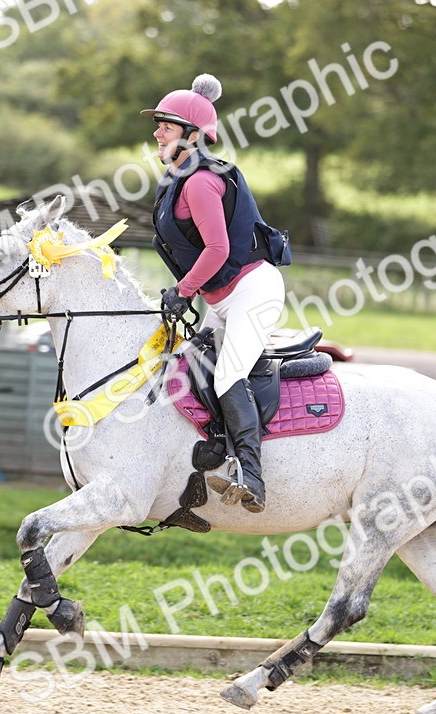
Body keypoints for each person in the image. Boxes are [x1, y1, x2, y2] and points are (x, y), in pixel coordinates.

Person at [143, 73, 289, 513]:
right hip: (223, 299)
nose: (157, 132)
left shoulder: (201, 181)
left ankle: (251, 476)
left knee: (227, 375)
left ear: (191, 134)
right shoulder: (178, 178)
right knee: (188, 367)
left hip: (253, 291)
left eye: (165, 126)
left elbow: (219, 249)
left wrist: (184, 291)